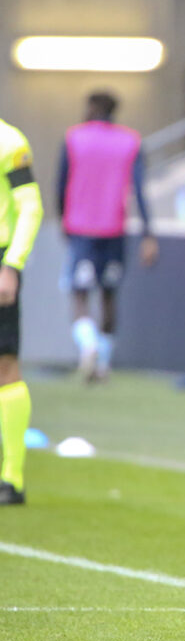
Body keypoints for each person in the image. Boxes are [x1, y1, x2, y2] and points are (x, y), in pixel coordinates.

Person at [58, 91, 158, 381]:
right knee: (108, 295)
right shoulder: (131, 141)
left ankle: (88, 346)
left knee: (79, 294)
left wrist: (65, 222)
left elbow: (61, 184)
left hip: (80, 230)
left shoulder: (74, 137)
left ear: (90, 107)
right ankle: (103, 362)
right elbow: (140, 190)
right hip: (114, 230)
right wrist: (148, 233)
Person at [0, 119, 44, 505]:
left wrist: (13, 264)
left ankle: (11, 478)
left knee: (5, 366)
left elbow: (30, 205)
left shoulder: (9, 141)